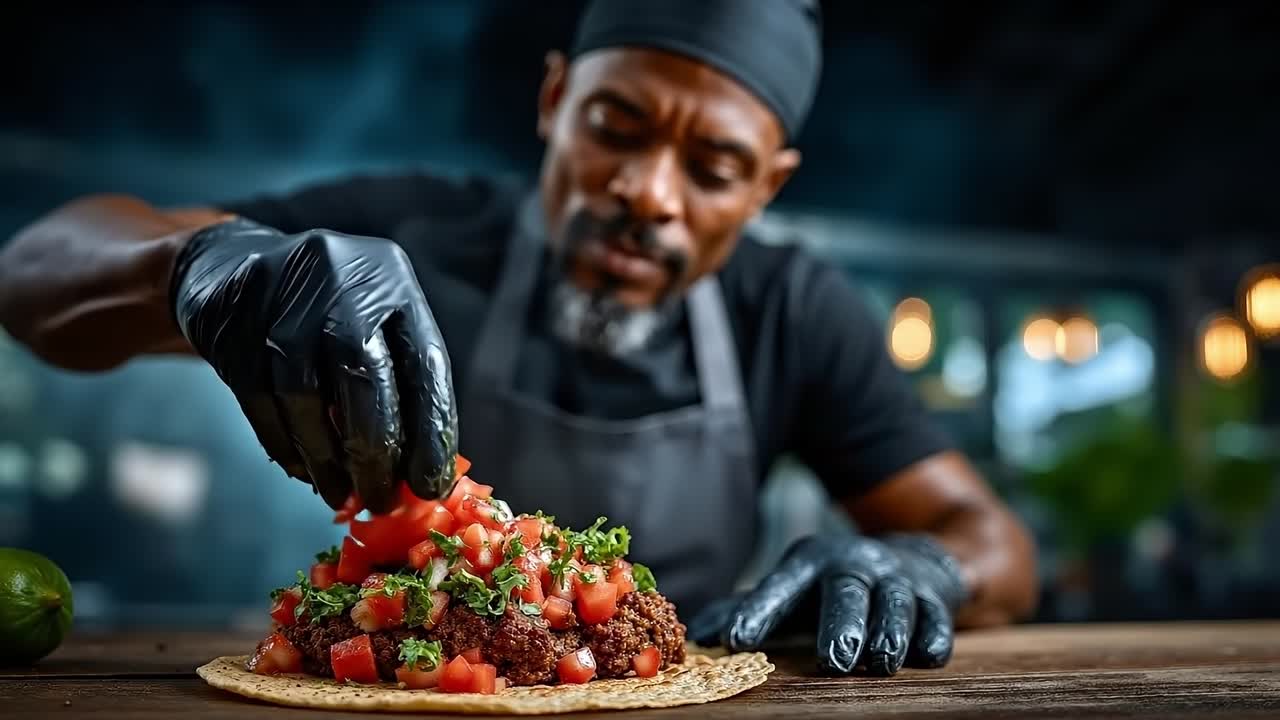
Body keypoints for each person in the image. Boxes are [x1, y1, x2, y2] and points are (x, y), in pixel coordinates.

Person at [0, 0, 1037, 676]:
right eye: (615, 127)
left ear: (767, 186)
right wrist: (205, 265)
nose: (648, 193)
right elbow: (31, 277)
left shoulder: (794, 310)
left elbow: (993, 544)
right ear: (554, 101)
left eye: (713, 170)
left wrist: (921, 565)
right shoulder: (410, 230)